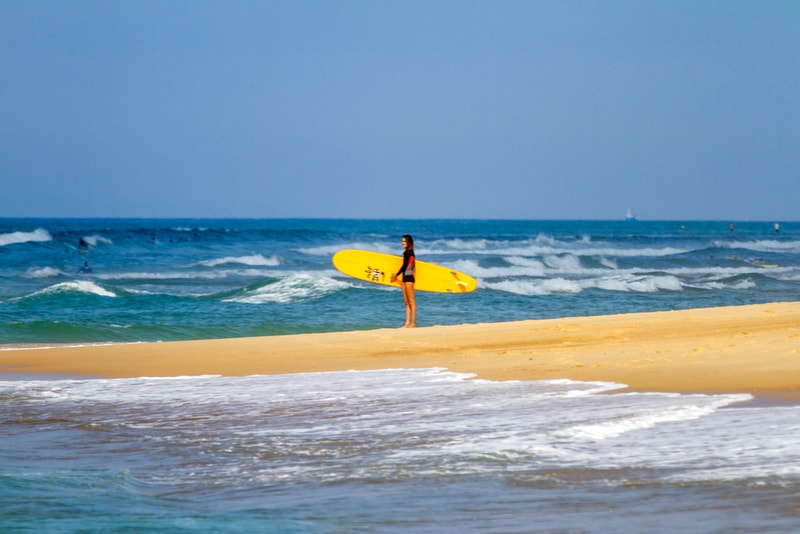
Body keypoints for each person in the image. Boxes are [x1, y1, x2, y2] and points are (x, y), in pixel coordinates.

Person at [390, 234, 416, 328]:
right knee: (406, 301)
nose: (402, 243)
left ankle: (412, 323)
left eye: (404, 241)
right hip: (405, 278)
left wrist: (396, 276)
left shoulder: (409, 253)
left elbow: (406, 266)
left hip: (409, 278)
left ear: (409, 242)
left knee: (411, 301)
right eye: (402, 241)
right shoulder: (406, 252)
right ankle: (407, 323)